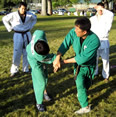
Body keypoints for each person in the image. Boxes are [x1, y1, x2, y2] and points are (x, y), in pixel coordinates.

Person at [53, 17, 100, 114]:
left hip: (89, 66)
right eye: (75, 28)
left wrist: (62, 62)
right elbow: (65, 44)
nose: (75, 31)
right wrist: (57, 58)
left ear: (84, 32)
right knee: (80, 85)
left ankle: (82, 93)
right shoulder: (73, 32)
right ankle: (85, 107)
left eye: (77, 30)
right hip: (79, 67)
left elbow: (82, 58)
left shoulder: (95, 41)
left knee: (87, 84)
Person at [2, 2, 37, 77]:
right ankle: (14, 70)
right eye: (22, 8)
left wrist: (30, 26)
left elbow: (35, 18)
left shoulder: (29, 14)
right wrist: (9, 28)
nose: (23, 10)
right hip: (18, 34)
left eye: (25, 9)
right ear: (19, 8)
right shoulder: (13, 15)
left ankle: (25, 69)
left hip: (27, 34)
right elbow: (4, 19)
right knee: (17, 52)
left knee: (27, 52)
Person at [26, 30, 56, 112]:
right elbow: (51, 58)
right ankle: (39, 103)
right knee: (41, 82)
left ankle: (44, 92)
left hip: (32, 51)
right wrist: (58, 58)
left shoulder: (40, 33)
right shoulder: (39, 57)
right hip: (34, 61)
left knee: (45, 75)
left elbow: (37, 32)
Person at [90, 2, 114, 81]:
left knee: (105, 60)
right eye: (98, 9)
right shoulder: (92, 19)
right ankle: (95, 73)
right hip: (94, 41)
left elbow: (111, 14)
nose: (100, 10)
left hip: (104, 40)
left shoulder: (107, 17)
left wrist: (102, 8)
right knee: (94, 59)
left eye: (101, 9)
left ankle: (105, 75)